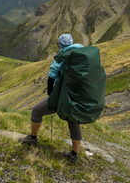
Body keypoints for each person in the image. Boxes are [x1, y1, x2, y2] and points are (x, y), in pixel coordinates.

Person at [19, 33, 83, 163]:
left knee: (36, 111)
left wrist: (51, 96)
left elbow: (51, 77)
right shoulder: (81, 53)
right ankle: (74, 155)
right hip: (77, 96)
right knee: (74, 122)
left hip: (62, 96)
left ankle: (32, 138)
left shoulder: (61, 57)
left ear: (59, 45)